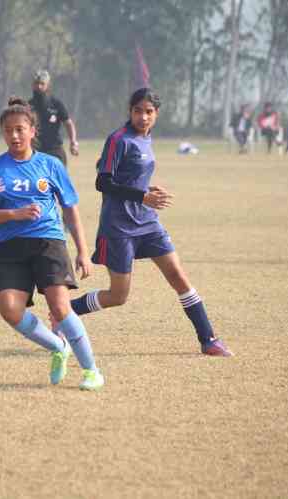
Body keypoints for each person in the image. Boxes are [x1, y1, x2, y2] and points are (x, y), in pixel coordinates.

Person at [68, 88, 233, 357]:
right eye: (138, 111)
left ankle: (209, 339)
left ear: (156, 114)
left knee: (179, 277)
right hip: (119, 226)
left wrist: (146, 188)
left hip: (147, 222)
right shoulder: (118, 140)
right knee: (118, 296)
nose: (143, 117)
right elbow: (103, 182)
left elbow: (131, 176)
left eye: (149, 112)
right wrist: (141, 195)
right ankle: (65, 311)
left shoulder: (147, 138)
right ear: (130, 111)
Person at [0, 97, 104, 391]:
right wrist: (12, 214)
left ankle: (91, 370)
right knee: (9, 309)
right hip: (10, 248)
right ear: (3, 133)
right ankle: (58, 346)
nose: (15, 135)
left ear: (33, 130)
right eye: (8, 130)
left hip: (49, 242)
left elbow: (70, 209)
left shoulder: (51, 164)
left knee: (60, 307)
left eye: (20, 129)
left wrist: (83, 252)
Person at [28, 70, 79, 167]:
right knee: (39, 181)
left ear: (47, 85)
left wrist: (73, 142)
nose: (39, 86)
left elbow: (68, 123)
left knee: (57, 180)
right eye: (36, 83)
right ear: (32, 85)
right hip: (36, 152)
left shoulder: (56, 103)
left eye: (42, 84)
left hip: (55, 150)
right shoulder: (28, 106)